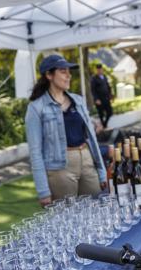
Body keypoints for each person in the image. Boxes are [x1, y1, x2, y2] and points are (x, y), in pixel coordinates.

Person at [26, 54, 107, 206]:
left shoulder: (78, 100)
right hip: (60, 170)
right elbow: (35, 151)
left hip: (87, 160)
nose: (69, 75)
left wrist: (102, 173)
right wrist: (43, 191)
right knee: (67, 217)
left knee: (96, 211)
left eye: (69, 71)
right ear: (49, 75)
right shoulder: (36, 108)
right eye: (63, 71)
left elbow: (92, 139)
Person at [90, 63, 114, 128]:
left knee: (110, 112)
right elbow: (93, 90)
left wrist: (111, 96)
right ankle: (103, 126)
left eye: (100, 69)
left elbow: (108, 87)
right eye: (98, 70)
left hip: (106, 98)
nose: (99, 71)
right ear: (96, 70)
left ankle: (104, 124)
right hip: (99, 99)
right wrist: (96, 99)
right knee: (101, 114)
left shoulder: (105, 77)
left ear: (102, 69)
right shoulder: (94, 78)